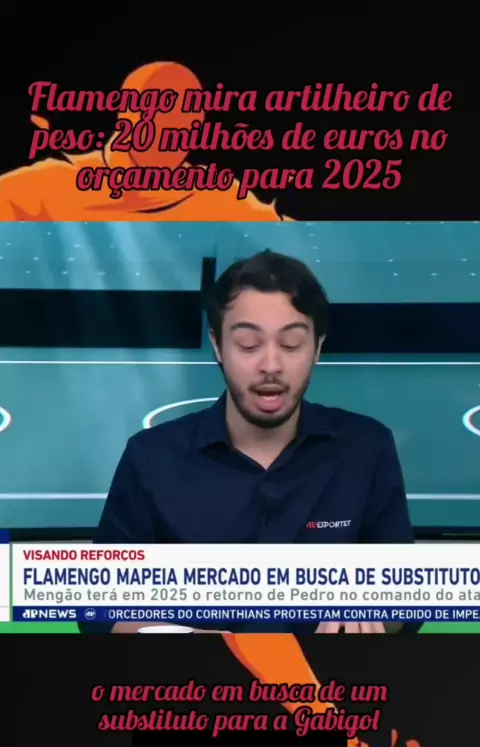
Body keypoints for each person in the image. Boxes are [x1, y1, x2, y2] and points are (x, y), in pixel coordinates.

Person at [79, 249, 416, 635]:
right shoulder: (150, 457)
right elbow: (97, 609)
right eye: (249, 345)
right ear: (218, 346)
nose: (270, 365)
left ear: (318, 347)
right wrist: (187, 638)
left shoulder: (367, 448)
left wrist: (372, 612)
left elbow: (407, 602)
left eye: (291, 344)